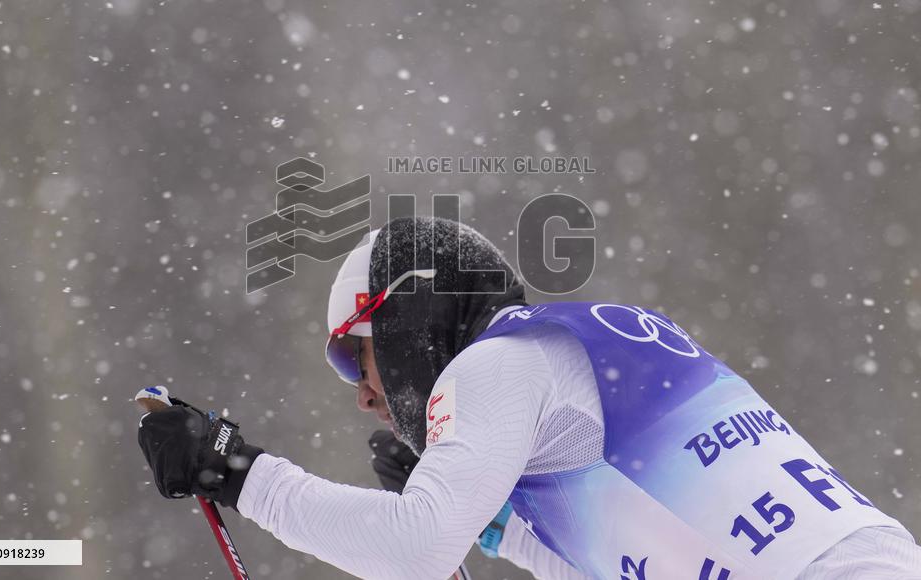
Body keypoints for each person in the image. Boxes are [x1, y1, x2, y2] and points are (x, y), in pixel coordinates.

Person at [138, 216, 921, 579]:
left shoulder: (497, 365)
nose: (365, 396)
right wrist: (501, 526)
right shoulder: (583, 348)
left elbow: (414, 550)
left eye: (356, 356)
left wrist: (240, 474)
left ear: (408, 316)